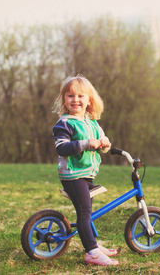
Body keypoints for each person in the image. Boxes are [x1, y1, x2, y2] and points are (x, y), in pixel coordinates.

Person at [52, 74, 119, 266]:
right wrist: (86, 143)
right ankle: (91, 252)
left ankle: (94, 245)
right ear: (64, 100)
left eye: (81, 96)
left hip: (86, 174)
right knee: (84, 212)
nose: (75, 100)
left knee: (87, 212)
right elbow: (61, 148)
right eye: (70, 96)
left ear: (89, 99)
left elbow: (102, 144)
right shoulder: (65, 123)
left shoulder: (91, 122)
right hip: (72, 175)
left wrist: (105, 144)